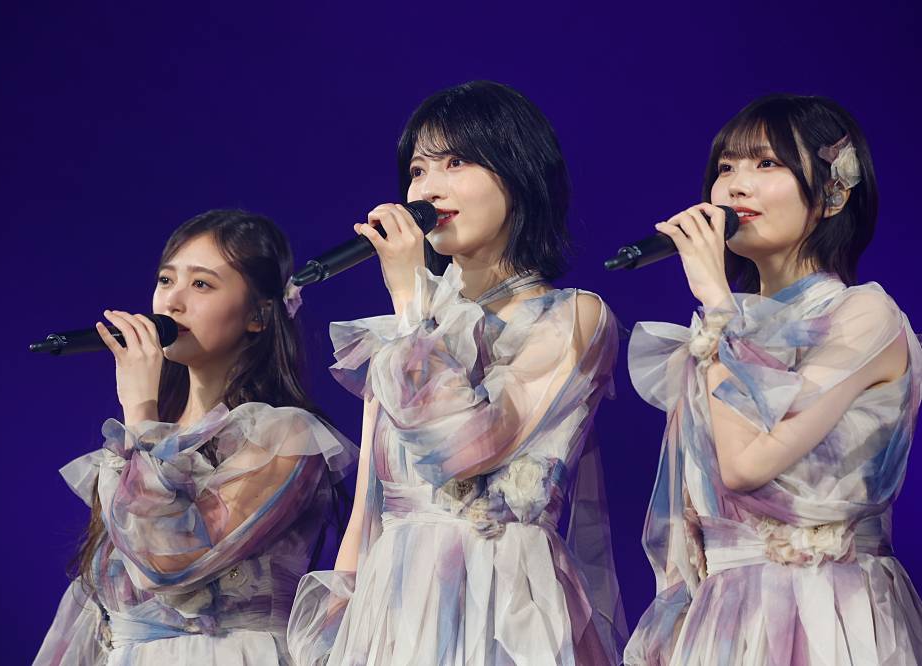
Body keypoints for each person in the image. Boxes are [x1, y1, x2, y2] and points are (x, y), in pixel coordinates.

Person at [287, 80, 626, 665]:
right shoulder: (399, 335)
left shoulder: (573, 317)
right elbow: (368, 509)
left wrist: (411, 303)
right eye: (417, 170)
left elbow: (468, 447)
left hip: (503, 603)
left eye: (456, 162)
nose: (428, 188)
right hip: (394, 612)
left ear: (518, 173)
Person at [625, 94, 922, 665]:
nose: (736, 186)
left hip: (824, 610)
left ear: (833, 194)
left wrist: (718, 308)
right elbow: (687, 521)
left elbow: (745, 466)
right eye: (726, 167)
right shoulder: (722, 331)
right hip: (722, 618)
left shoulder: (865, 315)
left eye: (766, 163)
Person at [34, 210, 355, 665]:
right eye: (166, 280)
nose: (172, 302)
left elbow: (168, 563)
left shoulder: (286, 435)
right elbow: (95, 612)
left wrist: (140, 413)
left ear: (259, 315)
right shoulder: (140, 449)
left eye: (201, 284)